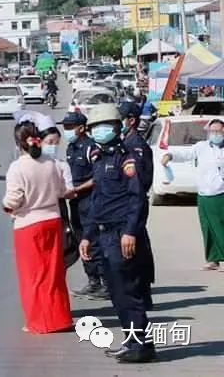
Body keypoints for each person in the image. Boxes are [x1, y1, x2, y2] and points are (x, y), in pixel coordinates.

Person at [81, 104, 156, 363]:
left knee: (129, 290)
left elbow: (137, 199)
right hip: (103, 234)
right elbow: (98, 200)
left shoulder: (127, 158)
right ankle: (132, 341)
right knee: (116, 292)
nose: (99, 131)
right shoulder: (100, 159)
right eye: (95, 128)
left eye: (104, 126)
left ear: (116, 127)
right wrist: (88, 234)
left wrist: (130, 232)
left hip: (121, 234)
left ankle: (142, 346)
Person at [2, 121, 73, 334]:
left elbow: (13, 200)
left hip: (28, 225)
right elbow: (62, 191)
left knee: (32, 276)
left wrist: (6, 206)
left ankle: (38, 321)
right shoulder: (51, 163)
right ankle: (60, 318)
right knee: (54, 273)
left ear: (19, 143)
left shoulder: (17, 167)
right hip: (52, 220)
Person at [160, 118, 224, 271]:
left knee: (221, 227)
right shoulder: (201, 147)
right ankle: (213, 259)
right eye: (212, 131)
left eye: (219, 131)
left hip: (221, 193)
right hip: (204, 194)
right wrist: (170, 156)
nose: (216, 134)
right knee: (207, 227)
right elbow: (185, 153)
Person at [61, 111, 107, 300]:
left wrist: (78, 189)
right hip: (76, 202)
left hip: (90, 200)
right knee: (82, 241)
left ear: (81, 128)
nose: (67, 131)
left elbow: (98, 177)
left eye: (70, 127)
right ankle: (93, 281)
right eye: (65, 127)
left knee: (94, 241)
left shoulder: (91, 148)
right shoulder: (71, 148)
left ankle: (106, 283)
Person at [118, 101, 155, 309]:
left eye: (120, 119)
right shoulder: (125, 142)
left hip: (135, 204)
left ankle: (141, 295)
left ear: (131, 121)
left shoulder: (136, 146)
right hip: (129, 204)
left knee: (136, 249)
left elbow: (139, 184)